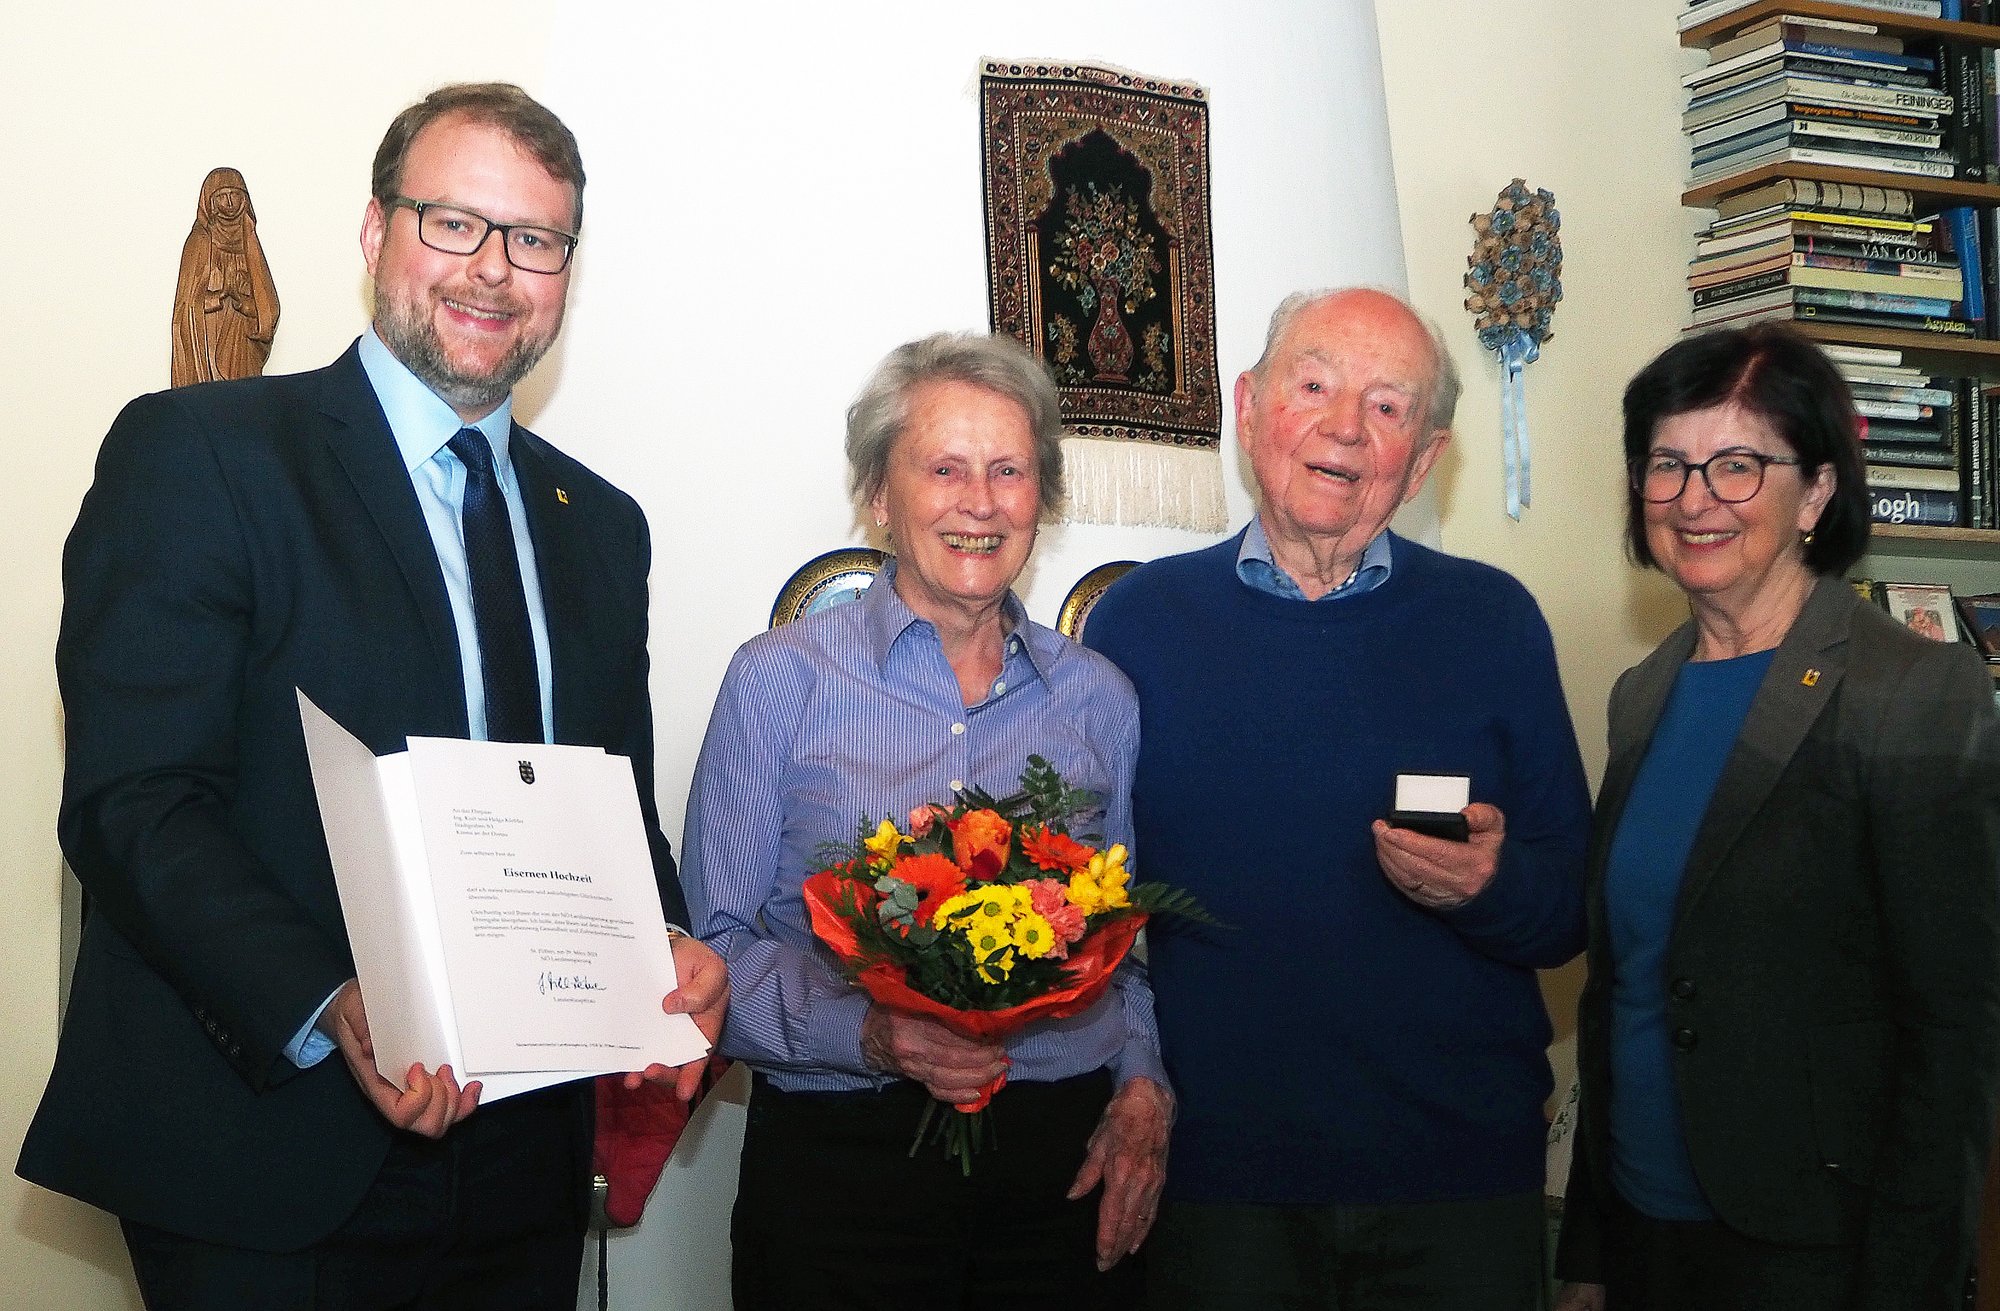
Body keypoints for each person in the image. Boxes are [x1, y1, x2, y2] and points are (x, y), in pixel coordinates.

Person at [18, 83, 727, 1308]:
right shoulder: (203, 455)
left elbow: (604, 807)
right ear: (373, 234)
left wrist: (662, 940)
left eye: (535, 241)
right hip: (264, 1151)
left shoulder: (603, 529)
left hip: (524, 1168)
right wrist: (332, 1001)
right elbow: (137, 802)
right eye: (453, 223)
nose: (494, 272)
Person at [1083, 287, 1591, 1310]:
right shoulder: (1136, 625)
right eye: (1312, 386)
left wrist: (1489, 883)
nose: (1344, 429)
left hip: (1455, 1189)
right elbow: (1086, 909)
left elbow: (1570, 908)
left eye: (1387, 406)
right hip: (1218, 1190)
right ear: (1248, 405)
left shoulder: (1493, 623)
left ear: (1424, 457)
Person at [683, 331, 1171, 1308]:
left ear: (1043, 498)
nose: (979, 502)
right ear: (877, 495)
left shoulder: (1100, 701)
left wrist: (1139, 1095)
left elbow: (1127, 948)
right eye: (943, 468)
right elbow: (713, 957)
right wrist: (869, 1032)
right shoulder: (775, 682)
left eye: (1008, 471)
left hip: (1056, 1162)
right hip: (843, 1169)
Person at [1553, 324, 2000, 1311]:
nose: (1693, 498)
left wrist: (1909, 1284)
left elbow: (1953, 1031)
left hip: (1816, 1253)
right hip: (1641, 1229)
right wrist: (1585, 1247)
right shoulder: (1642, 694)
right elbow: (1622, 991)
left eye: (1737, 465)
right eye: (1666, 464)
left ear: (1818, 490)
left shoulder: (1913, 690)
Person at [171, 166, 281, 386]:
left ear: (245, 200)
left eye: (235, 196)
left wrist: (246, 305)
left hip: (242, 346)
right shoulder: (200, 242)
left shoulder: (250, 243)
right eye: (222, 197)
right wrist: (217, 297)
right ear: (210, 202)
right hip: (208, 349)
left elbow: (269, 308)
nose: (230, 204)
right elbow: (185, 307)